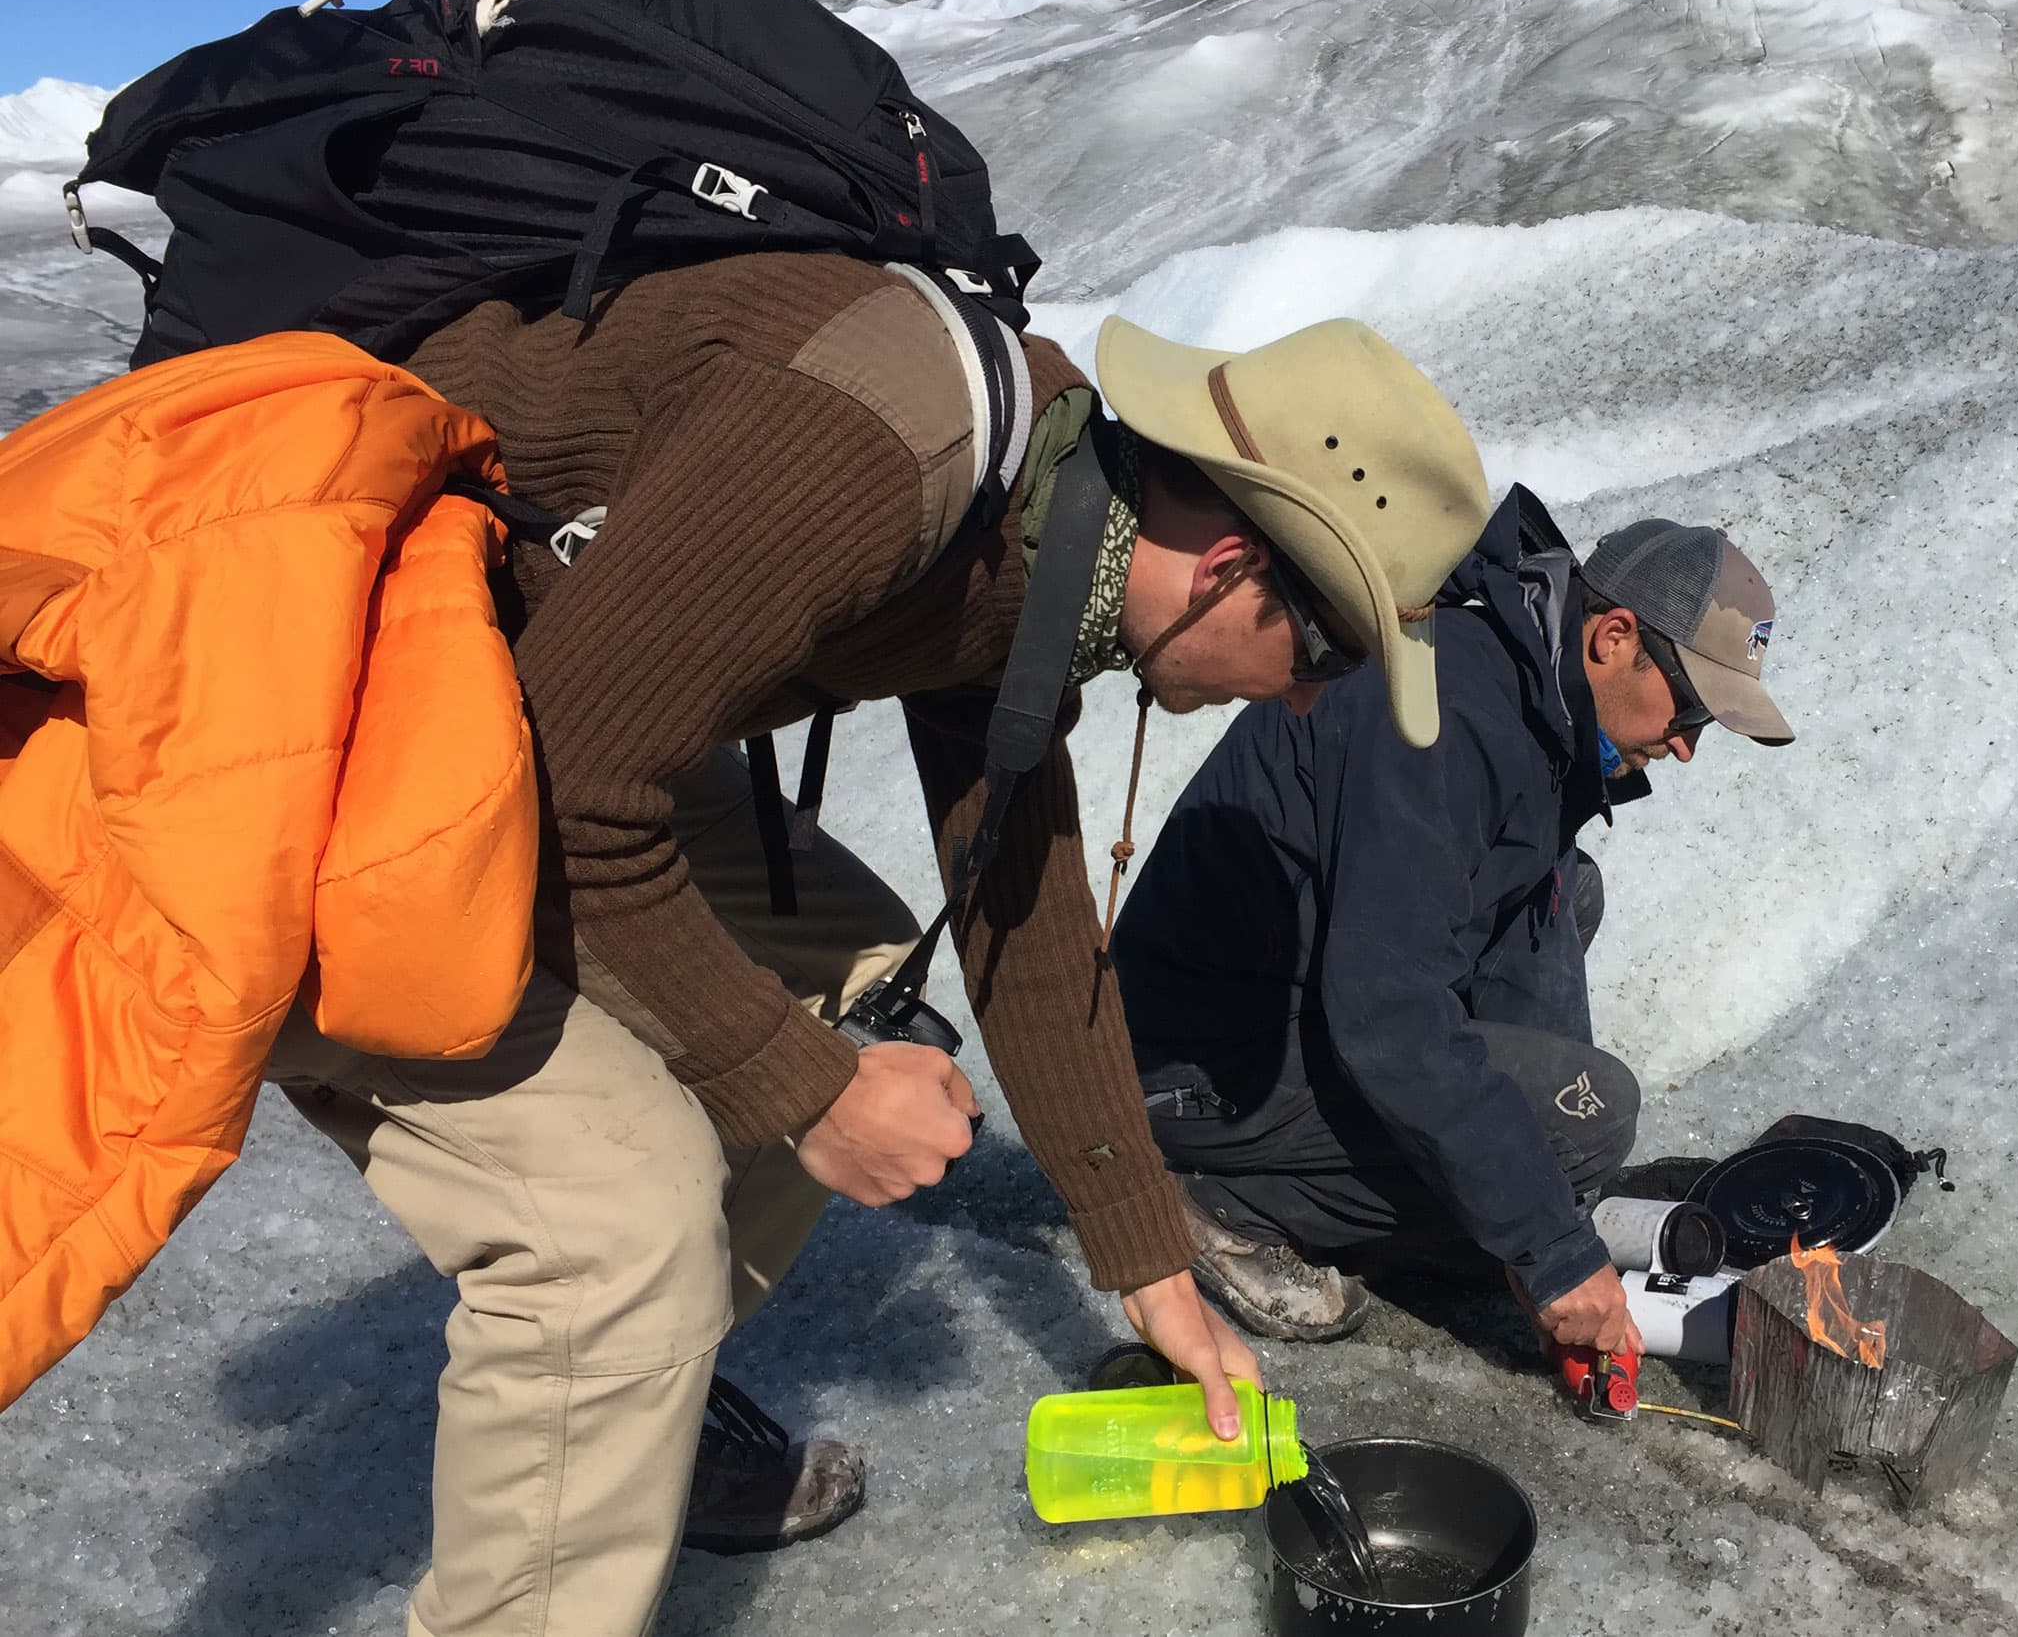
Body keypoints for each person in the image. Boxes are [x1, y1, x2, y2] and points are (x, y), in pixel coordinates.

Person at [262, 253, 1492, 1637]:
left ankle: (621, 1416)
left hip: (525, 703)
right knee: (625, 1227)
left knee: (858, 984)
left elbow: (1021, 900)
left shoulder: (1053, 517)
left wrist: (1147, 1258)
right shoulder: (873, 453)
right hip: (306, 711)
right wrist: (806, 1091)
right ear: (1230, 570)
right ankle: (597, 1377)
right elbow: (566, 795)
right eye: (1326, 661)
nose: (1311, 706)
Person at [1108, 488, 1794, 1354]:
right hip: (1193, 1066)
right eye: (1689, 707)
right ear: (1614, 636)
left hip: (1294, 1005)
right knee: (1583, 1126)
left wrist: (1553, 1194)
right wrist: (1549, 1241)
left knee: (1568, 903)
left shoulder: (1529, 700)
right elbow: (1387, 1010)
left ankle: (1427, 1208)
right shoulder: (1449, 717)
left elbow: (1517, 944)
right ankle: (1220, 1203)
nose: (1688, 744)